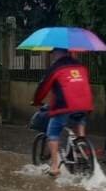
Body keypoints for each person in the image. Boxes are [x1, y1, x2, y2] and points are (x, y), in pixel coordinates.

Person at [32, 48, 94, 177]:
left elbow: (43, 87)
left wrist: (36, 100)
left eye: (54, 53)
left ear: (59, 53)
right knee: (79, 120)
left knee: (52, 134)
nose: (53, 56)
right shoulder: (81, 66)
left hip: (65, 106)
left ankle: (54, 166)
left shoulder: (56, 68)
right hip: (85, 104)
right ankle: (81, 144)